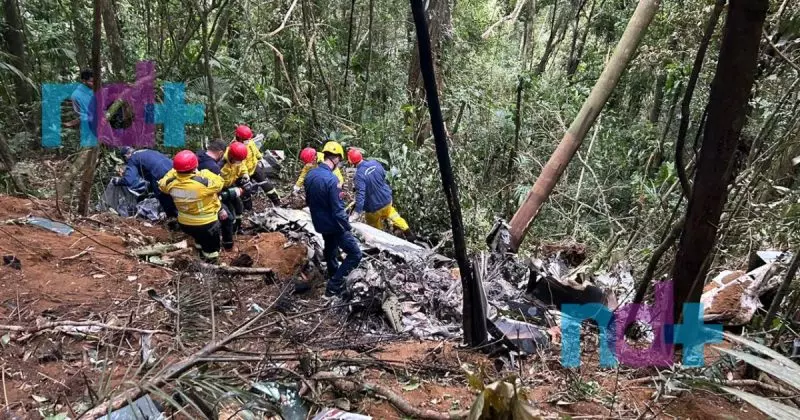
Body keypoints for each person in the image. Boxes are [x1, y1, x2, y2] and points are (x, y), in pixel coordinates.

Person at [158, 150, 238, 262]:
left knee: (199, 241)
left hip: (185, 223)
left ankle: (200, 254)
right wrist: (203, 172)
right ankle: (211, 267)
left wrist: (174, 171)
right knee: (211, 251)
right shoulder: (202, 184)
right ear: (195, 166)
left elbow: (162, 183)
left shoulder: (170, 184)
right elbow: (220, 183)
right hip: (206, 224)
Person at [305, 141, 362, 298]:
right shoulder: (332, 180)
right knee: (355, 254)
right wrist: (348, 228)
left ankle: (332, 273)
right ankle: (334, 285)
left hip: (319, 223)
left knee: (330, 248)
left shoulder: (310, 174)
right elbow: (338, 212)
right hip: (334, 224)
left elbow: (308, 200)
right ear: (336, 158)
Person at [347, 148, 411, 237]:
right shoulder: (375, 163)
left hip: (373, 208)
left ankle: (380, 238)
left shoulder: (359, 175)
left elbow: (360, 196)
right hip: (387, 201)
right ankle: (408, 232)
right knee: (393, 215)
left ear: (351, 162)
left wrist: (356, 213)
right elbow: (383, 175)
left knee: (374, 227)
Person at [112, 147, 178, 220]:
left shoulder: (132, 158)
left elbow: (129, 180)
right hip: (174, 168)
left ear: (125, 156)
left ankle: (173, 219)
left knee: (164, 197)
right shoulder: (146, 151)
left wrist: (118, 181)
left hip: (159, 173)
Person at [230, 125, 281, 208]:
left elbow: (255, 151)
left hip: (254, 167)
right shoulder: (235, 147)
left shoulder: (249, 141)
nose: (248, 140)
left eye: (249, 139)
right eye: (246, 139)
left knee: (266, 184)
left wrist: (260, 158)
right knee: (245, 192)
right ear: (240, 138)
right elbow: (240, 163)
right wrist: (245, 174)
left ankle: (277, 201)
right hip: (241, 173)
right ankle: (248, 209)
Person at [219, 141, 249, 233]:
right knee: (228, 211)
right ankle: (227, 230)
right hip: (220, 189)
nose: (238, 162)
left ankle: (238, 227)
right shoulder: (221, 163)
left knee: (239, 205)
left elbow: (242, 167)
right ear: (231, 156)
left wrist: (245, 175)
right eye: (237, 160)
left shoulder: (239, 158)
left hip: (231, 185)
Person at [63, 69, 96, 134]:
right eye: (91, 81)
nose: (94, 84)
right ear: (83, 81)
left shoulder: (95, 90)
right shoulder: (76, 96)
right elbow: (79, 115)